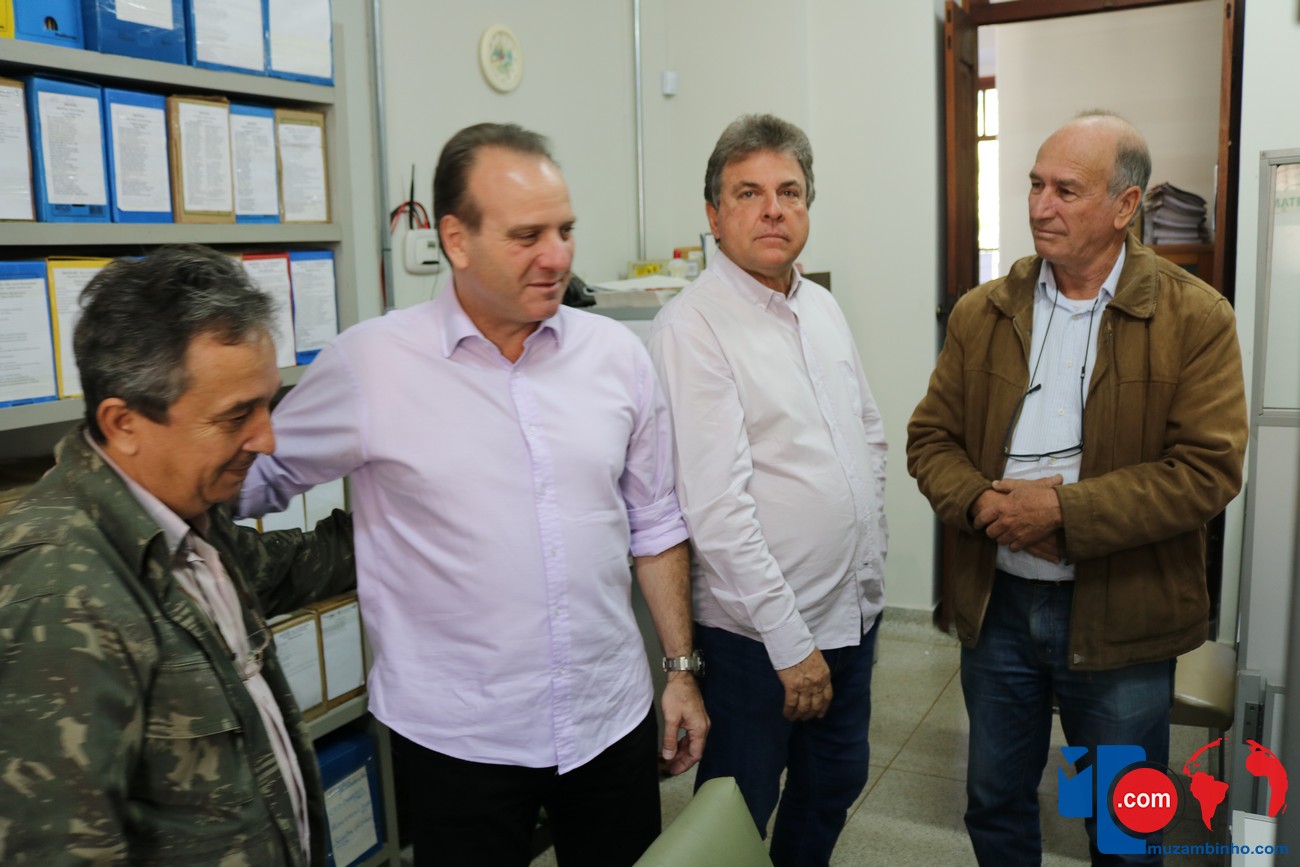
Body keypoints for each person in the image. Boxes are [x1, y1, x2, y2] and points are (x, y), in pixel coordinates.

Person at [238, 122, 707, 867]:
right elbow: (244, 479)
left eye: (564, 230)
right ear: (456, 240)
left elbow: (654, 524)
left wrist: (679, 671)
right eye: (527, 235)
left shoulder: (617, 356)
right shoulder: (373, 364)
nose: (557, 256)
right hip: (458, 738)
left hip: (606, 716)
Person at [906, 111, 1248, 865]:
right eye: (1035, 185)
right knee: (996, 803)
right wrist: (983, 504)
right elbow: (930, 439)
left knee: (1120, 824)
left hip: (1122, 616)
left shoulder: (1195, 317)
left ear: (1125, 206)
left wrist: (1063, 511)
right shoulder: (983, 311)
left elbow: (1207, 470)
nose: (1039, 206)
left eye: (1065, 190)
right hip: (998, 607)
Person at [0, 245, 356, 865]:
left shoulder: (184, 515)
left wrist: (414, 520)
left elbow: (286, 568)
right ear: (124, 423)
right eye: (236, 416)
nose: (267, 439)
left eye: (267, 404)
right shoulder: (57, 594)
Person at [648, 114, 888, 866]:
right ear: (714, 214)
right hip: (758, 640)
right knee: (737, 815)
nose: (773, 209)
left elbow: (868, 435)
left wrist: (869, 567)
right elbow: (717, 512)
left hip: (849, 614)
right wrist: (791, 644)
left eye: (790, 191)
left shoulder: (821, 306)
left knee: (831, 786)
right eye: (748, 193)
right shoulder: (693, 326)